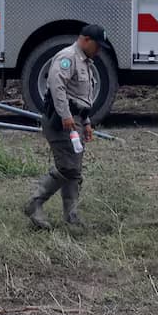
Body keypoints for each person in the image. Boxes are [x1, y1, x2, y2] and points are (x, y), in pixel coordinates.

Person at [24, 24, 107, 230]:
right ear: (86, 40)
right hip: (61, 120)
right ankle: (35, 203)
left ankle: (71, 216)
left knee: (74, 170)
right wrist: (66, 116)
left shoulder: (85, 61)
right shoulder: (68, 57)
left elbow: (80, 97)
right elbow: (57, 87)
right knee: (67, 167)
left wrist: (86, 122)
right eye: (97, 45)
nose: (99, 50)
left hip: (75, 119)